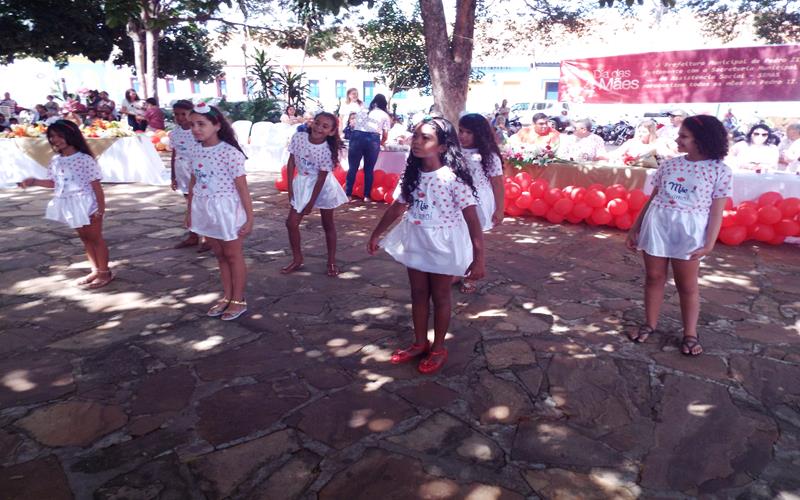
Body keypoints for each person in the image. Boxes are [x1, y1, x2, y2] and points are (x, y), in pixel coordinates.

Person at [367, 117, 485, 374]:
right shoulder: (412, 174)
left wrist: (479, 258)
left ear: (443, 147)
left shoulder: (454, 179)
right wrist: (376, 232)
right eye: (416, 136)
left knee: (441, 296)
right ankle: (420, 342)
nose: (417, 141)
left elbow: (472, 220)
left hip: (443, 243)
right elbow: (398, 206)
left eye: (426, 138)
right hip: (417, 239)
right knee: (418, 293)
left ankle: (439, 347)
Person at [626, 115, 732, 357]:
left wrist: (709, 243)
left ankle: (690, 333)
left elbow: (717, 211)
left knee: (687, 285)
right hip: (658, 225)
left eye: (684, 136)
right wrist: (635, 227)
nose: (678, 139)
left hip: (689, 232)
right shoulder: (669, 165)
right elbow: (653, 198)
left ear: (703, 140)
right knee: (653, 277)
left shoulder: (720, 171)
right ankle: (650, 324)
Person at [18, 120, 113, 289]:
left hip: (86, 203)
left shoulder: (84, 159)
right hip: (70, 204)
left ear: (71, 135)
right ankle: (95, 269)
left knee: (95, 238)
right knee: (85, 239)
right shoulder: (56, 160)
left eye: (60, 135)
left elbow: (96, 186)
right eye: (52, 136)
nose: (55, 139)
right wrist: (34, 181)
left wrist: (100, 208)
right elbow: (55, 183)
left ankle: (105, 273)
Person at [186, 103, 254, 321]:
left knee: (233, 255)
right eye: (192, 125)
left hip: (226, 211)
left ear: (216, 125)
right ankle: (227, 295)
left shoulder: (229, 153)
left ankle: (238, 299)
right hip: (204, 208)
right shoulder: (194, 149)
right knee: (220, 255)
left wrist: (249, 218)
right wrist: (189, 211)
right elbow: (193, 181)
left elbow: (242, 188)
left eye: (201, 124)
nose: (196, 129)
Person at [281, 112, 348, 276]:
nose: (319, 127)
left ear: (331, 132)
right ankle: (297, 259)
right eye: (317, 123)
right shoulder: (299, 138)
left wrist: (310, 203)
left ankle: (331, 261)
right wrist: (290, 188)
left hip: (322, 186)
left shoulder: (327, 151)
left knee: (328, 224)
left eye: (325, 126)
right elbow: (291, 162)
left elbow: (321, 179)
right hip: (303, 182)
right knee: (291, 223)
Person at [457, 113, 505, 294]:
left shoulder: (489, 156)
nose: (463, 136)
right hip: (457, 199)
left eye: (468, 132)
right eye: (461, 131)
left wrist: (500, 208)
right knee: (457, 236)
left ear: (479, 134)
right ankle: (458, 269)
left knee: (472, 237)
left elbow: (497, 183)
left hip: (478, 200)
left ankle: (471, 274)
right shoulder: (455, 151)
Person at [169, 100, 204, 250]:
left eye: (184, 114)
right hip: (181, 170)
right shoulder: (174, 133)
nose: (180, 117)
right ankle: (193, 235)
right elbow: (174, 153)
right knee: (189, 204)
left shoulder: (197, 130)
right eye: (177, 114)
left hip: (197, 172)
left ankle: (208, 237)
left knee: (201, 204)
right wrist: (173, 175)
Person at [346, 93, 391, 202]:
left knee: (352, 168)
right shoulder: (385, 115)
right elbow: (385, 135)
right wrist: (382, 142)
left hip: (356, 137)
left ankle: (347, 194)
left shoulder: (363, 111)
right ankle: (366, 196)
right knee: (369, 169)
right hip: (373, 139)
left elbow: (354, 125)